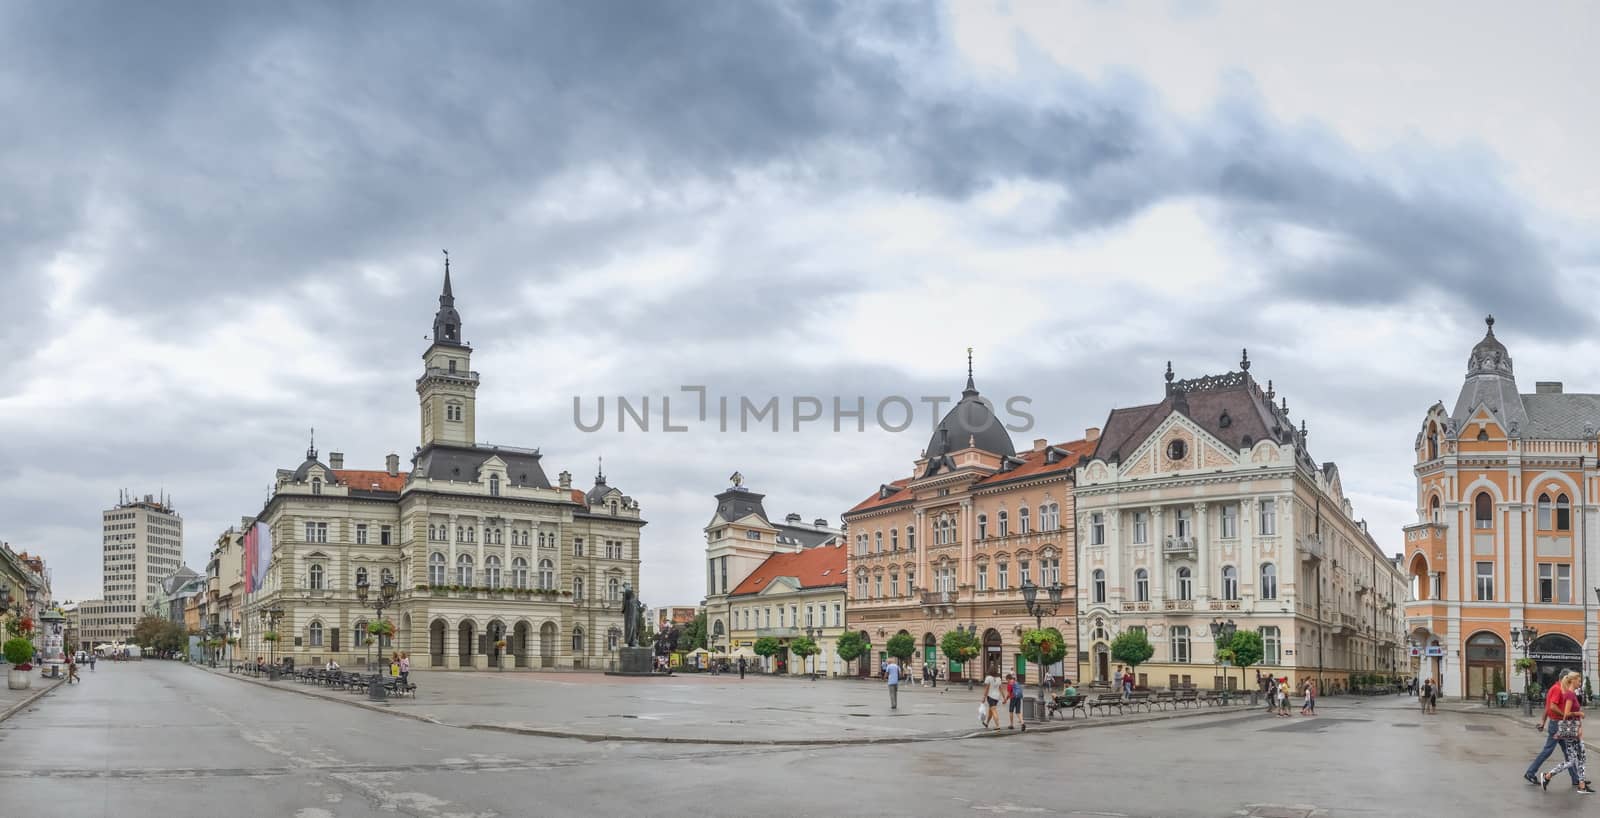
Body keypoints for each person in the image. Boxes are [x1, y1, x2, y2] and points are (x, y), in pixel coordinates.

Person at [1530, 672, 1584, 788]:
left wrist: (1543, 722)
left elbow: (1547, 707)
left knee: (1568, 753)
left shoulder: (1557, 689)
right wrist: (1566, 714)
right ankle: (1531, 773)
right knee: (1549, 751)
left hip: (1559, 724)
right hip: (1557, 724)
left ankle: (1576, 779)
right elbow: (1552, 707)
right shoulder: (1557, 689)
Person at [1544, 672, 1594, 793]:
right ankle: (1581, 786)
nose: (1580, 683)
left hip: (1573, 730)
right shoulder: (1570, 695)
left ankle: (1548, 776)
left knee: (1572, 760)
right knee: (1581, 757)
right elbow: (1566, 714)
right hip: (1573, 731)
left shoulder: (1570, 694)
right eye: (1579, 681)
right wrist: (1579, 714)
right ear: (1572, 681)